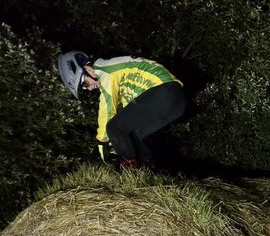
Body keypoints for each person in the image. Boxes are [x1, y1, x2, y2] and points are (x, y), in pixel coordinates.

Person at [56, 51, 187, 168]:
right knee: (132, 136)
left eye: (85, 84)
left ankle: (130, 172)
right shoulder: (120, 81)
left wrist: (102, 142)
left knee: (113, 127)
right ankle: (146, 171)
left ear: (87, 69)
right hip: (176, 103)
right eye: (84, 89)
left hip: (164, 91)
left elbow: (107, 111)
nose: (89, 89)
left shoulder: (106, 71)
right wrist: (115, 143)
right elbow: (129, 113)